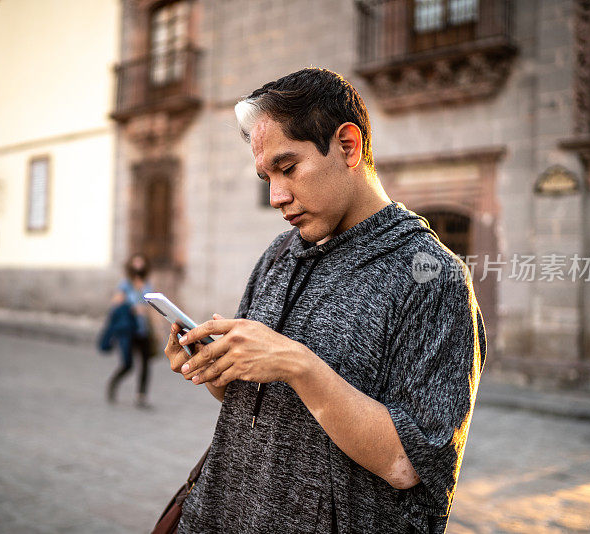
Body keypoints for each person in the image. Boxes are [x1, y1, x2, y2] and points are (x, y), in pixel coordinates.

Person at [163, 68, 486, 533]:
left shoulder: (432, 276)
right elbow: (253, 405)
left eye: (288, 167)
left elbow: (407, 464)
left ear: (348, 146)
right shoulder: (280, 253)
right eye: (266, 176)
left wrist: (299, 366)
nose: (276, 196)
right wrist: (213, 367)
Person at [106, 253, 156, 408]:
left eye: (141, 263)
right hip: (129, 330)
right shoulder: (125, 285)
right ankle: (113, 383)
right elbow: (115, 304)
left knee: (146, 364)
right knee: (128, 364)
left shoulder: (147, 284)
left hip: (144, 329)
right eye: (136, 263)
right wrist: (132, 308)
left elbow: (152, 306)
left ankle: (141, 396)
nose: (138, 266)